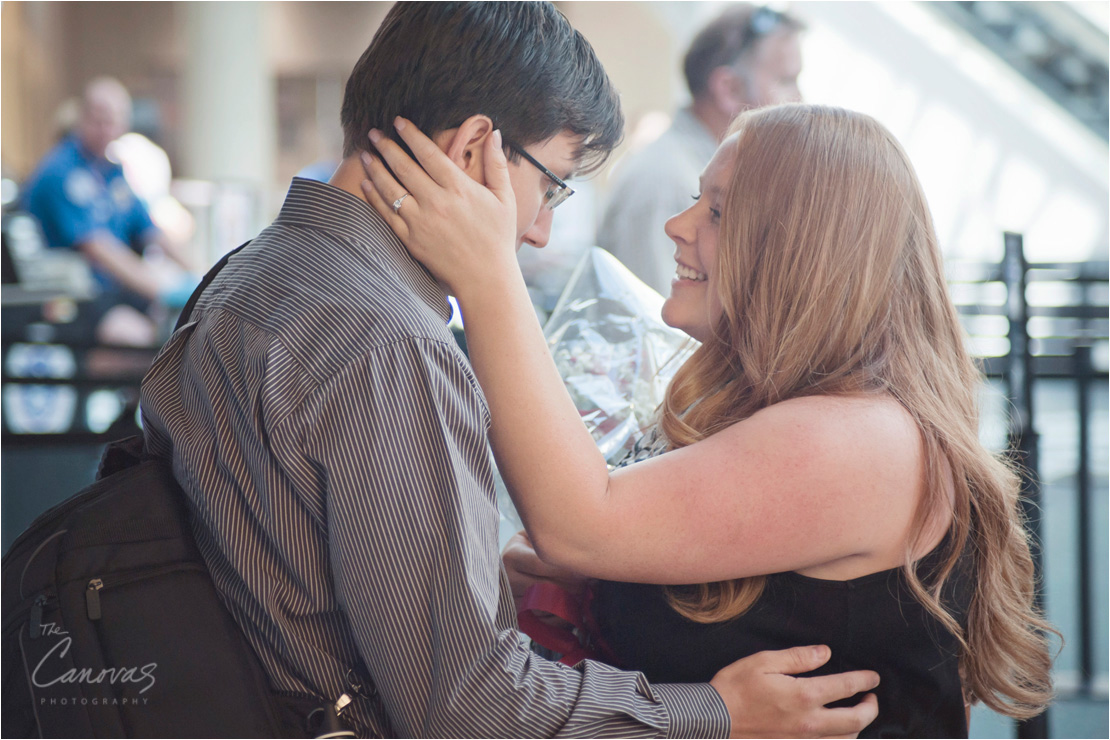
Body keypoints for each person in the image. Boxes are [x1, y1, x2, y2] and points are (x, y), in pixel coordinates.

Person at [139, 4, 880, 738]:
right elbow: (470, 710)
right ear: (471, 152)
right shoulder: (388, 344)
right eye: (553, 183)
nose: (539, 229)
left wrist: (469, 573)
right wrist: (717, 714)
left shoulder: (246, 275)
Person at [357, 102, 1057, 737]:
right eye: (698, 199)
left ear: (800, 252)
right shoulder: (800, 418)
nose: (676, 226)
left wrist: (486, 275)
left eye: (718, 212)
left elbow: (578, 525)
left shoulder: (858, 438)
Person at [597, 4, 803, 296]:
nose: (798, 99)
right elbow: (657, 326)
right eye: (785, 81)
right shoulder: (668, 179)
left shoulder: (693, 171)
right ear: (729, 88)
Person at [21, 77, 197, 345]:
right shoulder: (60, 171)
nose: (106, 129)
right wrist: (162, 290)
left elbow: (150, 230)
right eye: (98, 119)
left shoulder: (112, 172)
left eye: (113, 120)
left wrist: (203, 278)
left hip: (117, 291)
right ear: (82, 117)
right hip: (77, 299)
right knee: (149, 341)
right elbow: (98, 249)